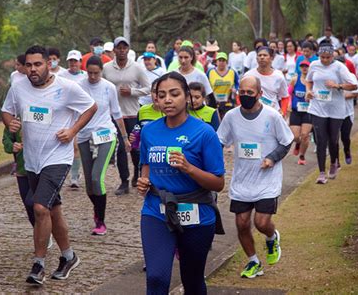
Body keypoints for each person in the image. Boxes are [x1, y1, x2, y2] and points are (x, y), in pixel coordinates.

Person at [1, 45, 97, 285]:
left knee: (40, 207)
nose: (33, 69)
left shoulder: (65, 87)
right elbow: (6, 111)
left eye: (38, 64)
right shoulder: (19, 85)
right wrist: (11, 123)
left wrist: (73, 130)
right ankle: (69, 256)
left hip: (57, 157)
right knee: (53, 210)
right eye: (29, 65)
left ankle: (38, 265)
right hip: (32, 160)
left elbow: (91, 107)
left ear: (48, 64)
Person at [136, 71, 225, 294]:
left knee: (192, 281)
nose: (167, 99)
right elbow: (146, 163)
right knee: (156, 277)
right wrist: (144, 180)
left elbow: (218, 183)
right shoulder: (149, 131)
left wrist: (189, 168)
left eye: (174, 94)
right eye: (162, 95)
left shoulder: (205, 133)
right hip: (156, 210)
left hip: (197, 213)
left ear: (186, 96)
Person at [217, 75, 294, 278]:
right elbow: (219, 142)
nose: (245, 96)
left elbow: (287, 141)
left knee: (261, 223)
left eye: (250, 93)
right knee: (241, 224)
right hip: (242, 180)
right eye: (242, 92)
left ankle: (271, 236)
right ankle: (253, 262)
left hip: (267, 179)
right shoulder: (231, 117)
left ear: (260, 94)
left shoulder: (272, 116)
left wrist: (272, 158)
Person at [77, 56, 131, 235]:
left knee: (96, 178)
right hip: (85, 135)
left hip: (105, 134)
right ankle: (97, 208)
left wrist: (124, 137)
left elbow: (116, 113)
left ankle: (101, 221)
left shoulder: (108, 87)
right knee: (89, 185)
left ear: (101, 71)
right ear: (85, 71)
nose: (93, 76)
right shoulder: (79, 86)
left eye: (96, 73)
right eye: (90, 73)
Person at [103, 36, 151, 194]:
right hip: (114, 115)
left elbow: (148, 88)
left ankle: (137, 175)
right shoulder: (107, 68)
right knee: (120, 149)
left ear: (128, 49)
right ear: (114, 50)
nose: (122, 50)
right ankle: (124, 181)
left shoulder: (136, 68)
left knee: (135, 147)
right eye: (119, 48)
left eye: (125, 48)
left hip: (132, 113)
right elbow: (100, 86)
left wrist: (132, 91)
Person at [305, 43, 358, 184]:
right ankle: (321, 172)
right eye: (322, 57)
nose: (325, 60)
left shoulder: (340, 67)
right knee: (320, 140)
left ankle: (334, 162)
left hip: (336, 109)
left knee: (333, 140)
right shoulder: (314, 65)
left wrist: (338, 86)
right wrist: (308, 91)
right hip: (317, 107)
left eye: (328, 57)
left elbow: (354, 85)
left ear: (333, 55)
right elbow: (309, 81)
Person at [58, 50, 87, 188]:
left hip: (81, 115)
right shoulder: (61, 75)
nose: (73, 64)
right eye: (71, 61)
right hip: (65, 114)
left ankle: (75, 175)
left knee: (78, 147)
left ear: (80, 62)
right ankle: (68, 175)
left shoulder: (86, 77)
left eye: (75, 61)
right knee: (69, 145)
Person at [243, 46, 289, 115]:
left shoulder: (279, 76)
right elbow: (239, 94)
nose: (262, 57)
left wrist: (283, 112)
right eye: (259, 55)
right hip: (253, 113)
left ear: (271, 58)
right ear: (256, 58)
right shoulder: (248, 75)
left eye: (265, 55)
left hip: (273, 113)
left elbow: (285, 97)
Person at [288, 60, 313, 165]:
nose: (304, 68)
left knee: (305, 135)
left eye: (306, 66)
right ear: (300, 68)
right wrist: (289, 103)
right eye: (302, 66)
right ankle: (298, 144)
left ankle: (302, 156)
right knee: (295, 137)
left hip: (308, 111)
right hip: (295, 111)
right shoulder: (295, 79)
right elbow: (288, 93)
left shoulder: (313, 81)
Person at [207, 52, 239, 118]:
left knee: (227, 121)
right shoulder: (210, 72)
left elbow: (238, 83)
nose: (221, 62)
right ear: (216, 62)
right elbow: (205, 84)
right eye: (219, 60)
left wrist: (235, 89)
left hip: (228, 102)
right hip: (214, 101)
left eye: (223, 60)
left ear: (226, 62)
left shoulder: (232, 72)